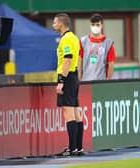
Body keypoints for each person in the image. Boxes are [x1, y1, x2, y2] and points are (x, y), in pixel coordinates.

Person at [52, 13, 84, 156]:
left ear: (61, 24)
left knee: (68, 112)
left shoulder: (65, 40)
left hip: (68, 77)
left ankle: (72, 148)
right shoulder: (75, 38)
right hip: (74, 76)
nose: (53, 25)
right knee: (76, 112)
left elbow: (68, 60)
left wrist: (61, 81)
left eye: (54, 23)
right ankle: (78, 147)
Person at [79, 14, 116, 81]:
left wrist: (108, 80)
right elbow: (80, 61)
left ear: (102, 25)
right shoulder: (83, 41)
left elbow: (111, 64)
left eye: (97, 24)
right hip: (85, 81)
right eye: (93, 24)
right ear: (90, 25)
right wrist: (80, 78)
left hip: (101, 82)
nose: (95, 27)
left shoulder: (108, 43)